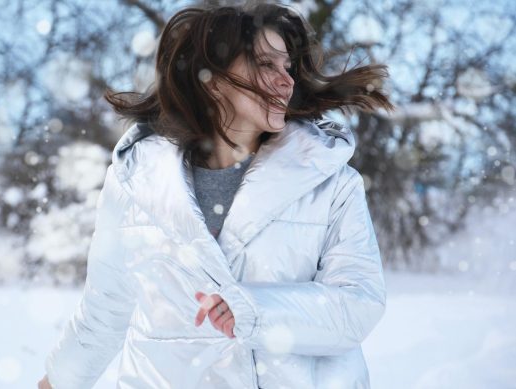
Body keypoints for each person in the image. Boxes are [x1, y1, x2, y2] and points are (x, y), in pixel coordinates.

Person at [39, 2, 394, 388]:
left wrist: (253, 309)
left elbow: (358, 305)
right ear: (212, 79)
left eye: (287, 67)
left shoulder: (331, 183)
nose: (286, 80)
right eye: (266, 64)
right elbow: (103, 310)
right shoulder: (135, 181)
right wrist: (56, 382)